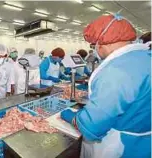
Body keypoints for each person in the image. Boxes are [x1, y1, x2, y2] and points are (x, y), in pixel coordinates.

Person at [60, 14, 151, 158]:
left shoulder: (117, 69)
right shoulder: (145, 57)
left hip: (119, 146)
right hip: (143, 142)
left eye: (94, 44)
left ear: (101, 42)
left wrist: (71, 116)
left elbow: (92, 126)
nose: (95, 49)